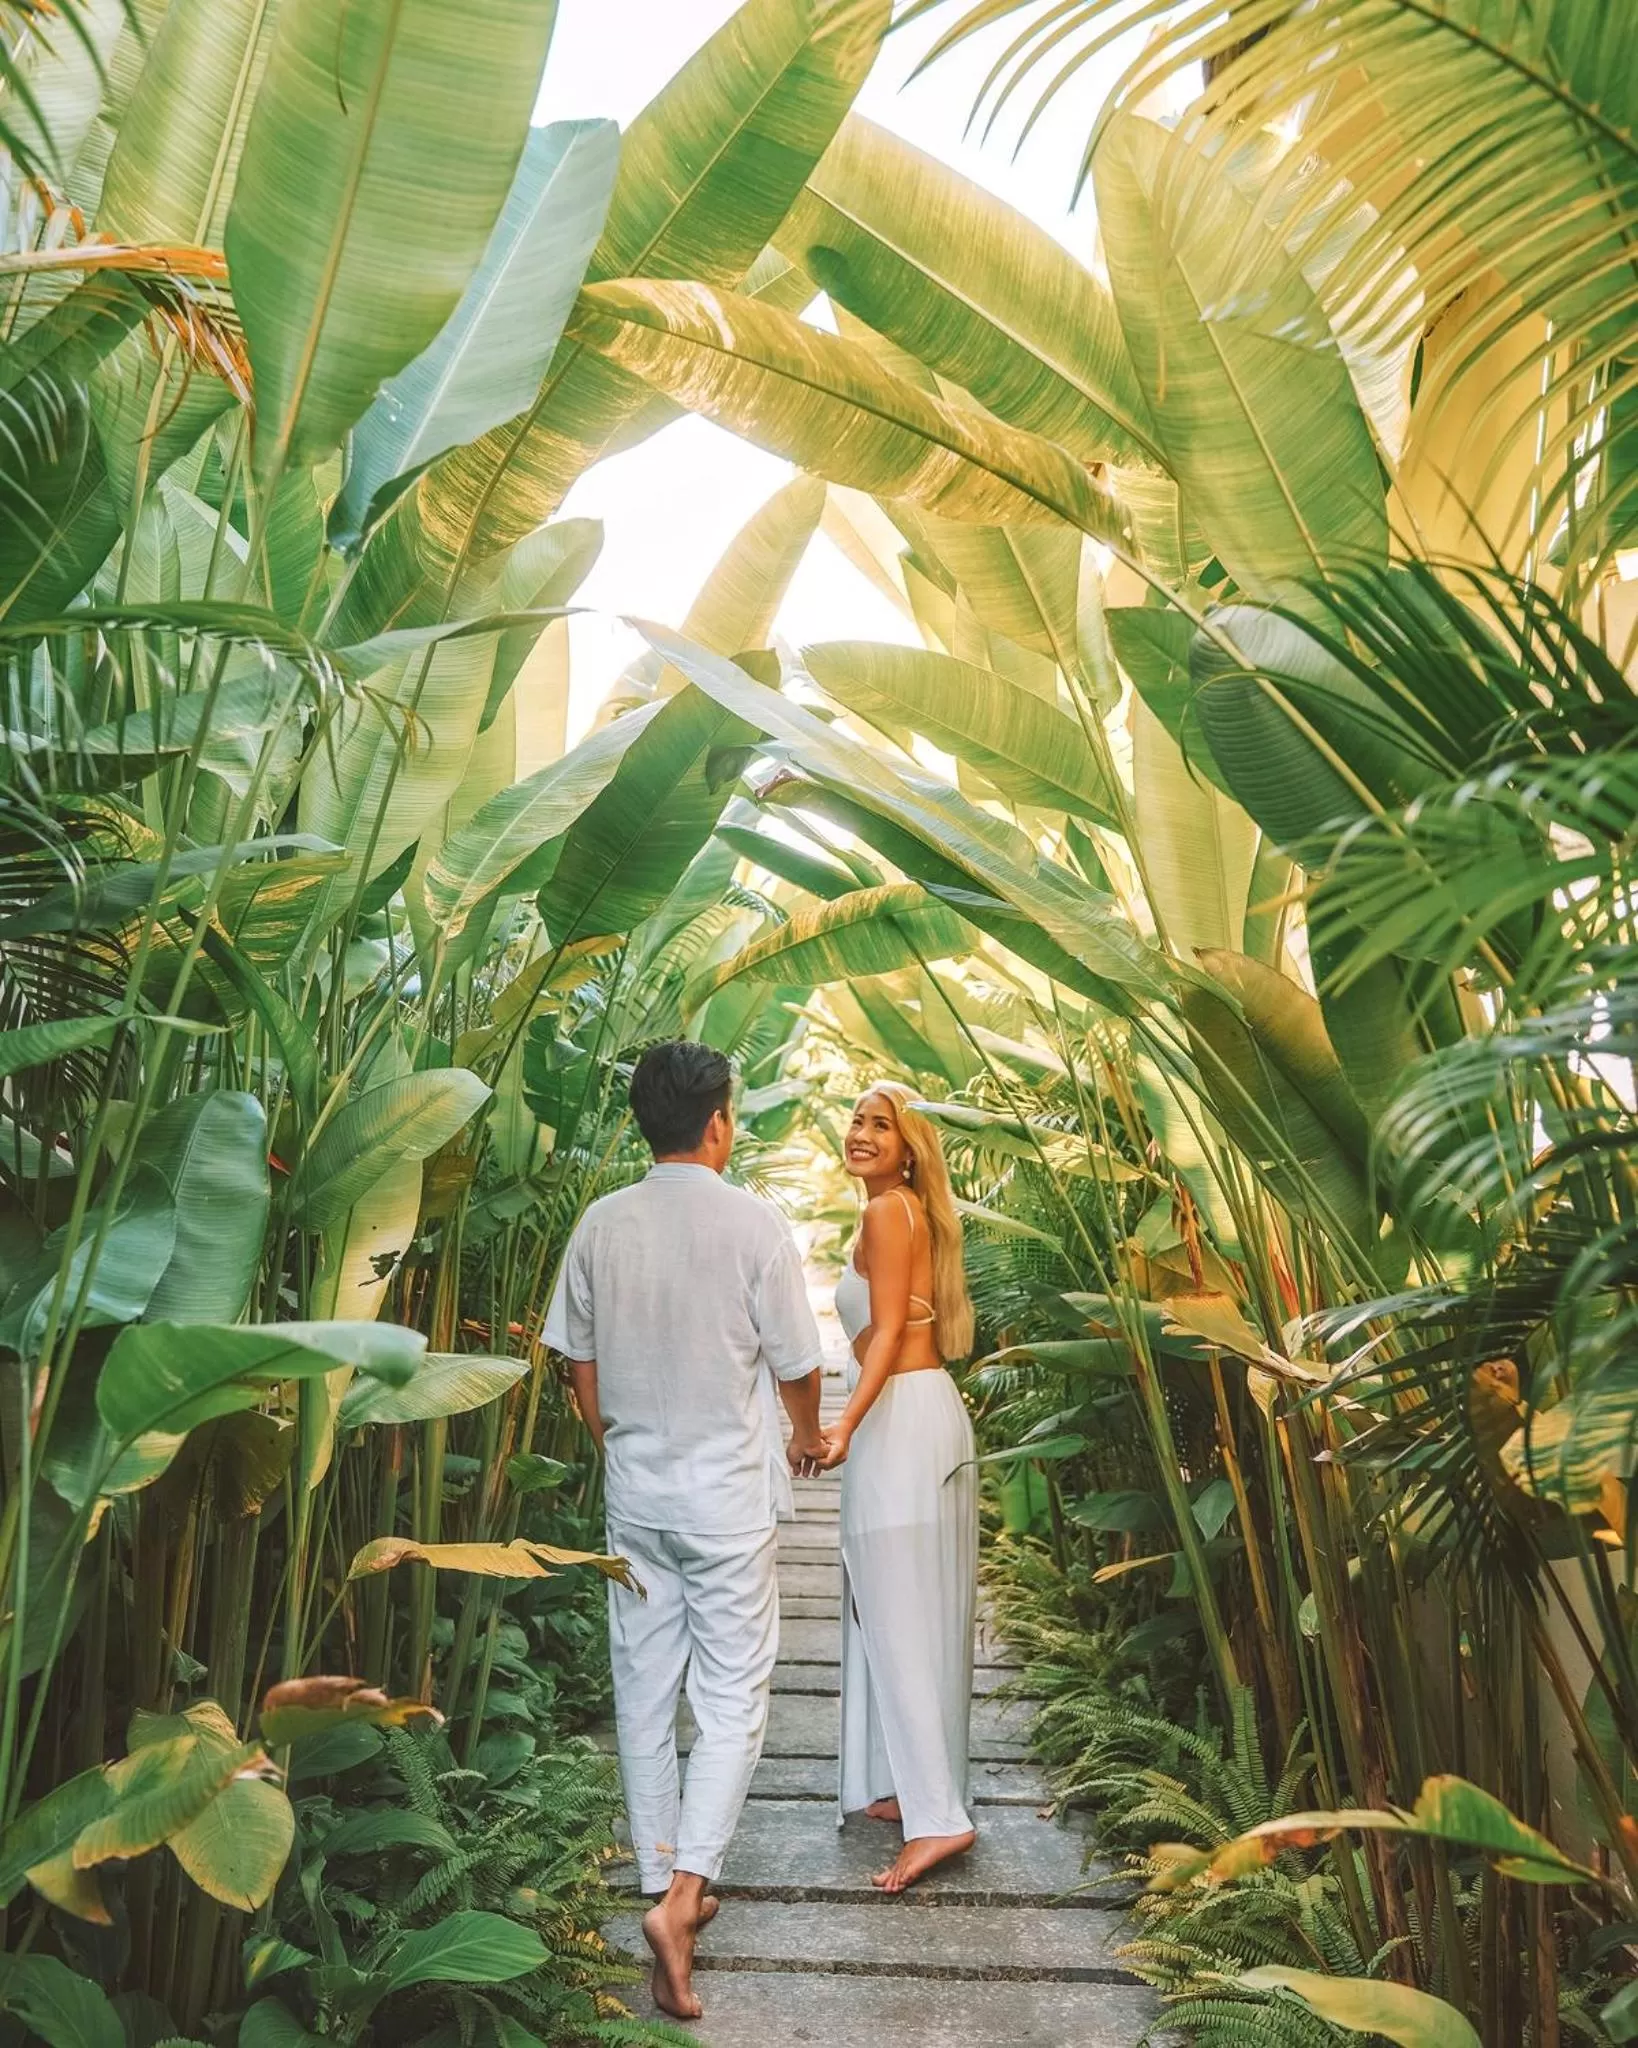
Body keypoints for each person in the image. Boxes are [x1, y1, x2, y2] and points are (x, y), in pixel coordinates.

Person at [543, 1040, 825, 2020]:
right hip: (727, 1500)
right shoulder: (753, 1224)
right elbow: (797, 1362)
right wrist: (807, 1435)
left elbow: (579, 1367)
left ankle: (662, 1878)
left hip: (639, 1498)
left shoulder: (601, 1223)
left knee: (644, 1691)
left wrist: (619, 1446)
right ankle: (681, 1895)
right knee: (733, 1697)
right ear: (718, 1123)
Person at [821, 1081, 980, 1894]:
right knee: (908, 1606)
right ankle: (917, 1789)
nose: (861, 1132)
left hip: (901, 1419)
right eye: (857, 1119)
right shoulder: (903, 1210)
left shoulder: (890, 1211)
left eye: (881, 1125)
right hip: (924, 1412)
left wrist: (843, 1424)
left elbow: (884, 1333)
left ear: (910, 1148)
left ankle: (939, 1817)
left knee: (894, 1605)